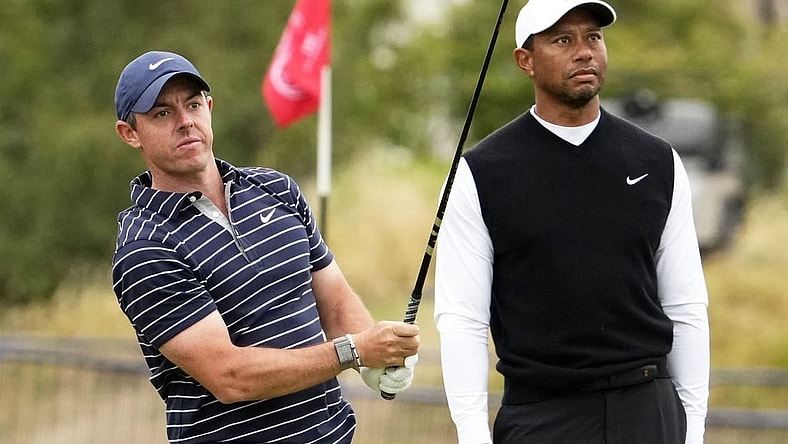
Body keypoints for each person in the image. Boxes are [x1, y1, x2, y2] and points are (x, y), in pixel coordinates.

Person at [434, 1, 710, 443]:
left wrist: (693, 427)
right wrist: (472, 433)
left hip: (648, 409)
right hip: (542, 415)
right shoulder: (480, 173)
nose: (584, 51)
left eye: (593, 37)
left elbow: (686, 306)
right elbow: (463, 319)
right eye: (563, 40)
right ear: (525, 60)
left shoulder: (658, 161)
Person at [111, 50, 420, 443]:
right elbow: (230, 377)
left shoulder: (275, 188)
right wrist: (353, 351)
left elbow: (335, 301)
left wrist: (377, 361)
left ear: (209, 108)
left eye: (192, 105)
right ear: (130, 133)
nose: (185, 121)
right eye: (161, 113)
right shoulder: (145, 249)